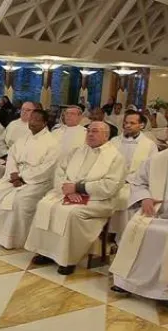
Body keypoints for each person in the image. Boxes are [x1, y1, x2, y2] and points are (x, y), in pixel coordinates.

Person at [25, 121, 126, 275]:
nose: (90, 134)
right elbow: (60, 171)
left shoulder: (115, 157)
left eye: (95, 131)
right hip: (68, 194)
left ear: (106, 135)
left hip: (98, 200)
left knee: (71, 214)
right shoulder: (77, 151)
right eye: (89, 131)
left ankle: (67, 259)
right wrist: (67, 189)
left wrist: (79, 188)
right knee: (45, 205)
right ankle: (46, 252)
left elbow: (111, 185)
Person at [0, 110, 59, 249]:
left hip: (38, 182)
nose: (32, 122)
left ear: (44, 122)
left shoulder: (52, 142)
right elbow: (12, 155)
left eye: (37, 120)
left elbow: (47, 168)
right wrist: (13, 173)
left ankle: (15, 239)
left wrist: (23, 177)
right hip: (15, 175)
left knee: (18, 201)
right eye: (31, 119)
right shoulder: (24, 137)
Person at [109, 150, 168, 304]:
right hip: (156, 213)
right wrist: (145, 198)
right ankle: (127, 282)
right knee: (136, 228)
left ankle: (164, 291)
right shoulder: (156, 160)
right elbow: (139, 182)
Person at [109, 110, 157, 236]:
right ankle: (106, 234)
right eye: (125, 123)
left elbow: (152, 170)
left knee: (127, 199)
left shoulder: (149, 145)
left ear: (141, 125)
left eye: (132, 123)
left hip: (135, 184)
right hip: (112, 181)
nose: (127, 125)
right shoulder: (114, 141)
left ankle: (123, 237)